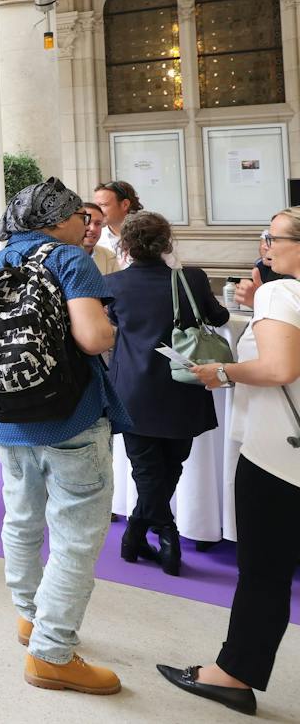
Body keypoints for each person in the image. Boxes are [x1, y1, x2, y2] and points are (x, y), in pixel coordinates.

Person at [0, 177, 125, 695]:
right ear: (54, 219)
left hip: (6, 418)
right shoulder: (70, 259)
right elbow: (93, 337)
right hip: (70, 416)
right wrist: (116, 329)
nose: (88, 223)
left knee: (22, 517)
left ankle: (30, 617)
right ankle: (52, 653)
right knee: (76, 532)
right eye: (81, 214)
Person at [157, 208, 300, 716]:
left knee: (264, 570)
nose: (264, 244)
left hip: (280, 454)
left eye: (271, 236)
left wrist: (223, 371)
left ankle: (232, 674)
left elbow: (280, 366)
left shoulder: (282, 293)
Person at [104, 212, 225, 576]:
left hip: (133, 390)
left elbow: (111, 328)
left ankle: (142, 534)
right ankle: (162, 533)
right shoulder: (191, 278)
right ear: (168, 243)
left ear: (125, 245)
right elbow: (217, 318)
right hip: (183, 386)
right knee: (172, 464)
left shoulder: (112, 284)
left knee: (148, 469)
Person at [79, 203, 120, 276]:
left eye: (98, 224)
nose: (92, 229)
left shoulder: (109, 257)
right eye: (87, 221)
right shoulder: (60, 255)